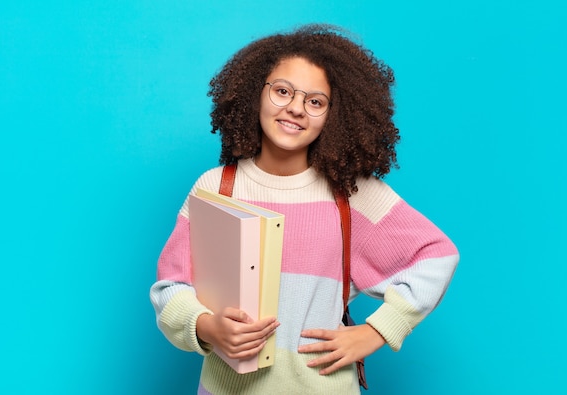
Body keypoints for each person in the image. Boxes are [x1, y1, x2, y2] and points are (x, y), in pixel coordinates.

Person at [150, 24, 459, 394]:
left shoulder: (352, 194)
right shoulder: (215, 187)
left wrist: (379, 330)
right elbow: (172, 288)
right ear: (254, 94)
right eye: (282, 91)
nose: (295, 108)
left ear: (335, 115)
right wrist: (206, 326)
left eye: (315, 101)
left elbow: (436, 256)